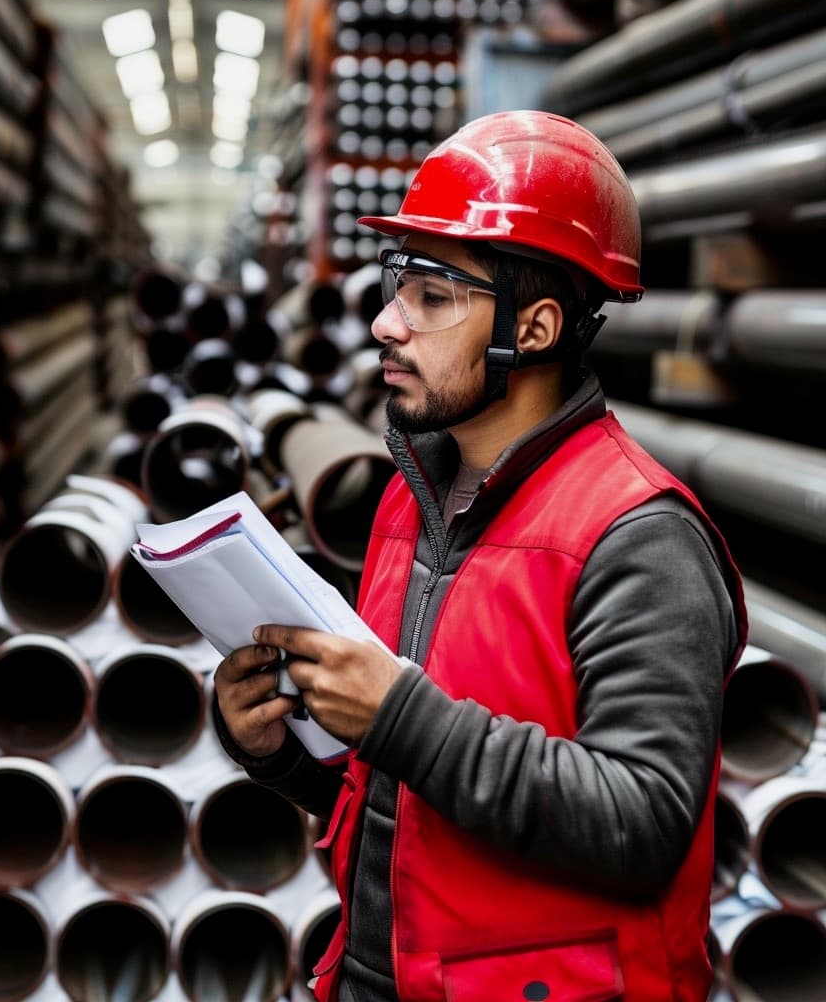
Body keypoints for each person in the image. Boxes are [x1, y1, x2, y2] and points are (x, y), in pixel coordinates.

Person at [213, 110, 747, 1002]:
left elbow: (646, 819)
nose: (387, 324)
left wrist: (397, 718)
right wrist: (278, 748)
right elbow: (410, 789)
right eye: (398, 287)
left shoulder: (638, 537)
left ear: (533, 330)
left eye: (432, 296)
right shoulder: (410, 499)